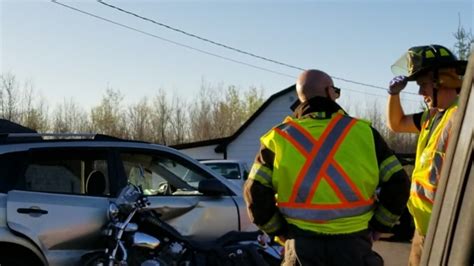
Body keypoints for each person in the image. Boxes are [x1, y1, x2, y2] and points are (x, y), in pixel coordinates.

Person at [244, 69, 410, 266]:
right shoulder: (364, 134)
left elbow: (254, 193)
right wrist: (379, 226)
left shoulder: (277, 139)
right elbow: (398, 183)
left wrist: (279, 232)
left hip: (301, 248)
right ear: (329, 92)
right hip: (354, 247)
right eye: (336, 91)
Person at [387, 44, 467, 265]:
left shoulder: (462, 117)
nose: (420, 92)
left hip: (449, 231)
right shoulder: (430, 118)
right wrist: (394, 95)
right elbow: (396, 124)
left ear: (442, 81)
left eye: (423, 85)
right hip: (423, 229)